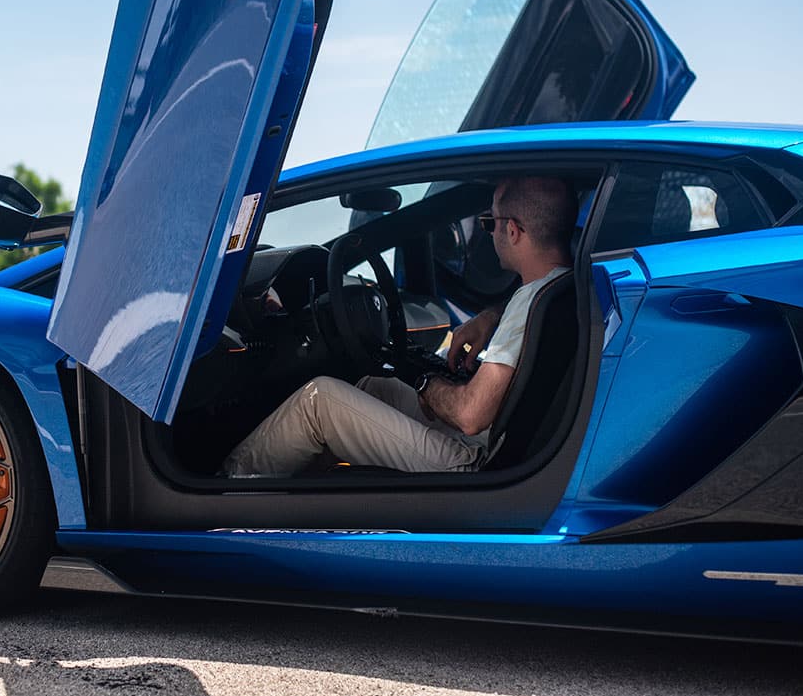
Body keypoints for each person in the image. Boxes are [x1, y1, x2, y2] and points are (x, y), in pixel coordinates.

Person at [222, 175, 577, 477]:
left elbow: (469, 416)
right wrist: (490, 315)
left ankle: (223, 491)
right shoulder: (561, 289)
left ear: (513, 231)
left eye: (491, 224)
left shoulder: (529, 304)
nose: (489, 233)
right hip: (498, 441)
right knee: (374, 387)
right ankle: (296, 503)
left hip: (477, 465)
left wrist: (426, 382)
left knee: (320, 400)